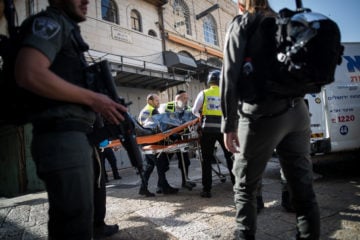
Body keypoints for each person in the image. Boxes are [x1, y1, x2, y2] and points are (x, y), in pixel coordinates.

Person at [14, 0, 127, 238]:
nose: (86, 1)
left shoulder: (68, 30)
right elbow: (29, 72)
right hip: (61, 135)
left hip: (73, 136)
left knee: (78, 217)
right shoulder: (51, 22)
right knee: (73, 224)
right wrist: (94, 99)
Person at [221, 0, 320, 239]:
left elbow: (229, 75)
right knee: (303, 189)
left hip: (261, 116)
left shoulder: (243, 23)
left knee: (245, 188)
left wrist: (229, 124)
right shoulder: (286, 21)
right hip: (298, 112)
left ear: (241, 3)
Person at [192, 70, 234, 198]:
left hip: (208, 130)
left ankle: (206, 189)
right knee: (230, 157)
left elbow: (194, 110)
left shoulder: (203, 93)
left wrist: (202, 116)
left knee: (206, 160)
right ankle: (237, 186)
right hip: (223, 130)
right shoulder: (226, 93)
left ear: (209, 81)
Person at [138, 93, 178, 196]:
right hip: (152, 142)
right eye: (156, 101)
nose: (158, 102)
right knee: (161, 164)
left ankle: (144, 188)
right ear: (150, 101)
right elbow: (159, 127)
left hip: (144, 142)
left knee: (149, 166)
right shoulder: (153, 110)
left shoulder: (144, 110)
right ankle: (164, 187)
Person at [159, 90, 196, 190]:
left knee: (185, 161)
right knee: (164, 162)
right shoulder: (166, 106)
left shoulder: (188, 108)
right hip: (168, 139)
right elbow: (162, 121)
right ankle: (161, 184)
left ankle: (185, 181)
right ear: (177, 99)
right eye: (184, 98)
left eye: (187, 98)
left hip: (182, 139)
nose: (186, 100)